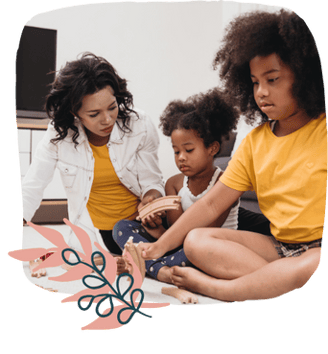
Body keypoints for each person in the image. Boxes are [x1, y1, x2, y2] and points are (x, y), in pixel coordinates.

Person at [141, 10, 327, 302]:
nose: (261, 92)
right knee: (197, 241)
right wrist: (159, 247)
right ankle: (281, 283)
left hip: (319, 251)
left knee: (316, 264)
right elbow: (213, 204)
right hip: (279, 248)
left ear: (304, 77)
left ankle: (218, 288)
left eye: (273, 79)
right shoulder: (255, 142)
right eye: (255, 82)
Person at [21, 53, 165, 277]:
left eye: (112, 107)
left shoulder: (139, 124)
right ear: (74, 113)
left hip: (138, 224)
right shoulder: (58, 136)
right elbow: (33, 186)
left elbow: (152, 181)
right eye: (94, 113)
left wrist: (151, 200)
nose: (107, 119)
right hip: (105, 232)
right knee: (80, 256)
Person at [112, 88, 240, 283]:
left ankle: (145, 264)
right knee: (121, 227)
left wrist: (161, 240)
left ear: (212, 148)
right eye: (175, 151)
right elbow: (174, 231)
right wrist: (157, 229)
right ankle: (160, 268)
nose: (181, 157)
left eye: (189, 150)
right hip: (177, 246)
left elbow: (201, 233)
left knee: (194, 251)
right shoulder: (174, 183)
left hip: (208, 247)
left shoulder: (224, 183)